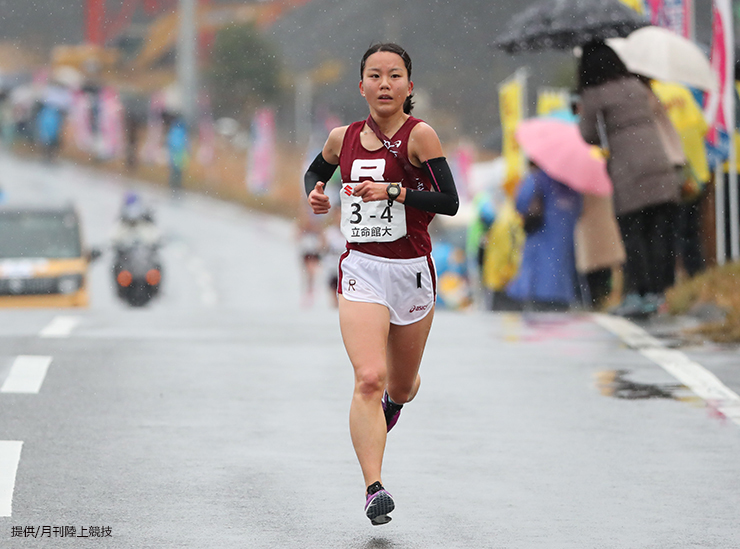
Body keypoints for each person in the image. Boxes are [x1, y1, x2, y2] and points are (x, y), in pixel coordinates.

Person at [304, 43, 458, 526]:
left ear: (409, 87)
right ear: (362, 86)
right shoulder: (341, 137)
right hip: (362, 270)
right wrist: (315, 192)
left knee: (402, 385)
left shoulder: (421, 136)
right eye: (375, 75)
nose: (385, 84)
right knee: (368, 378)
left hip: (411, 273)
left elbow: (449, 201)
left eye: (395, 76)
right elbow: (317, 170)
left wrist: (395, 190)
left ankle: (397, 399)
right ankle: (374, 487)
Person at [577, 42, 681, 318]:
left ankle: (641, 294)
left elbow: (588, 136)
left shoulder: (594, 94)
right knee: (659, 231)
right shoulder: (636, 86)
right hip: (659, 164)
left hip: (629, 171)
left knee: (633, 233)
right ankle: (661, 294)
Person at [505, 162, 582, 311]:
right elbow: (579, 210)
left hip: (538, 262)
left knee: (537, 321)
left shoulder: (538, 179)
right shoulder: (573, 184)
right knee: (560, 318)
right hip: (564, 265)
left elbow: (519, 203)